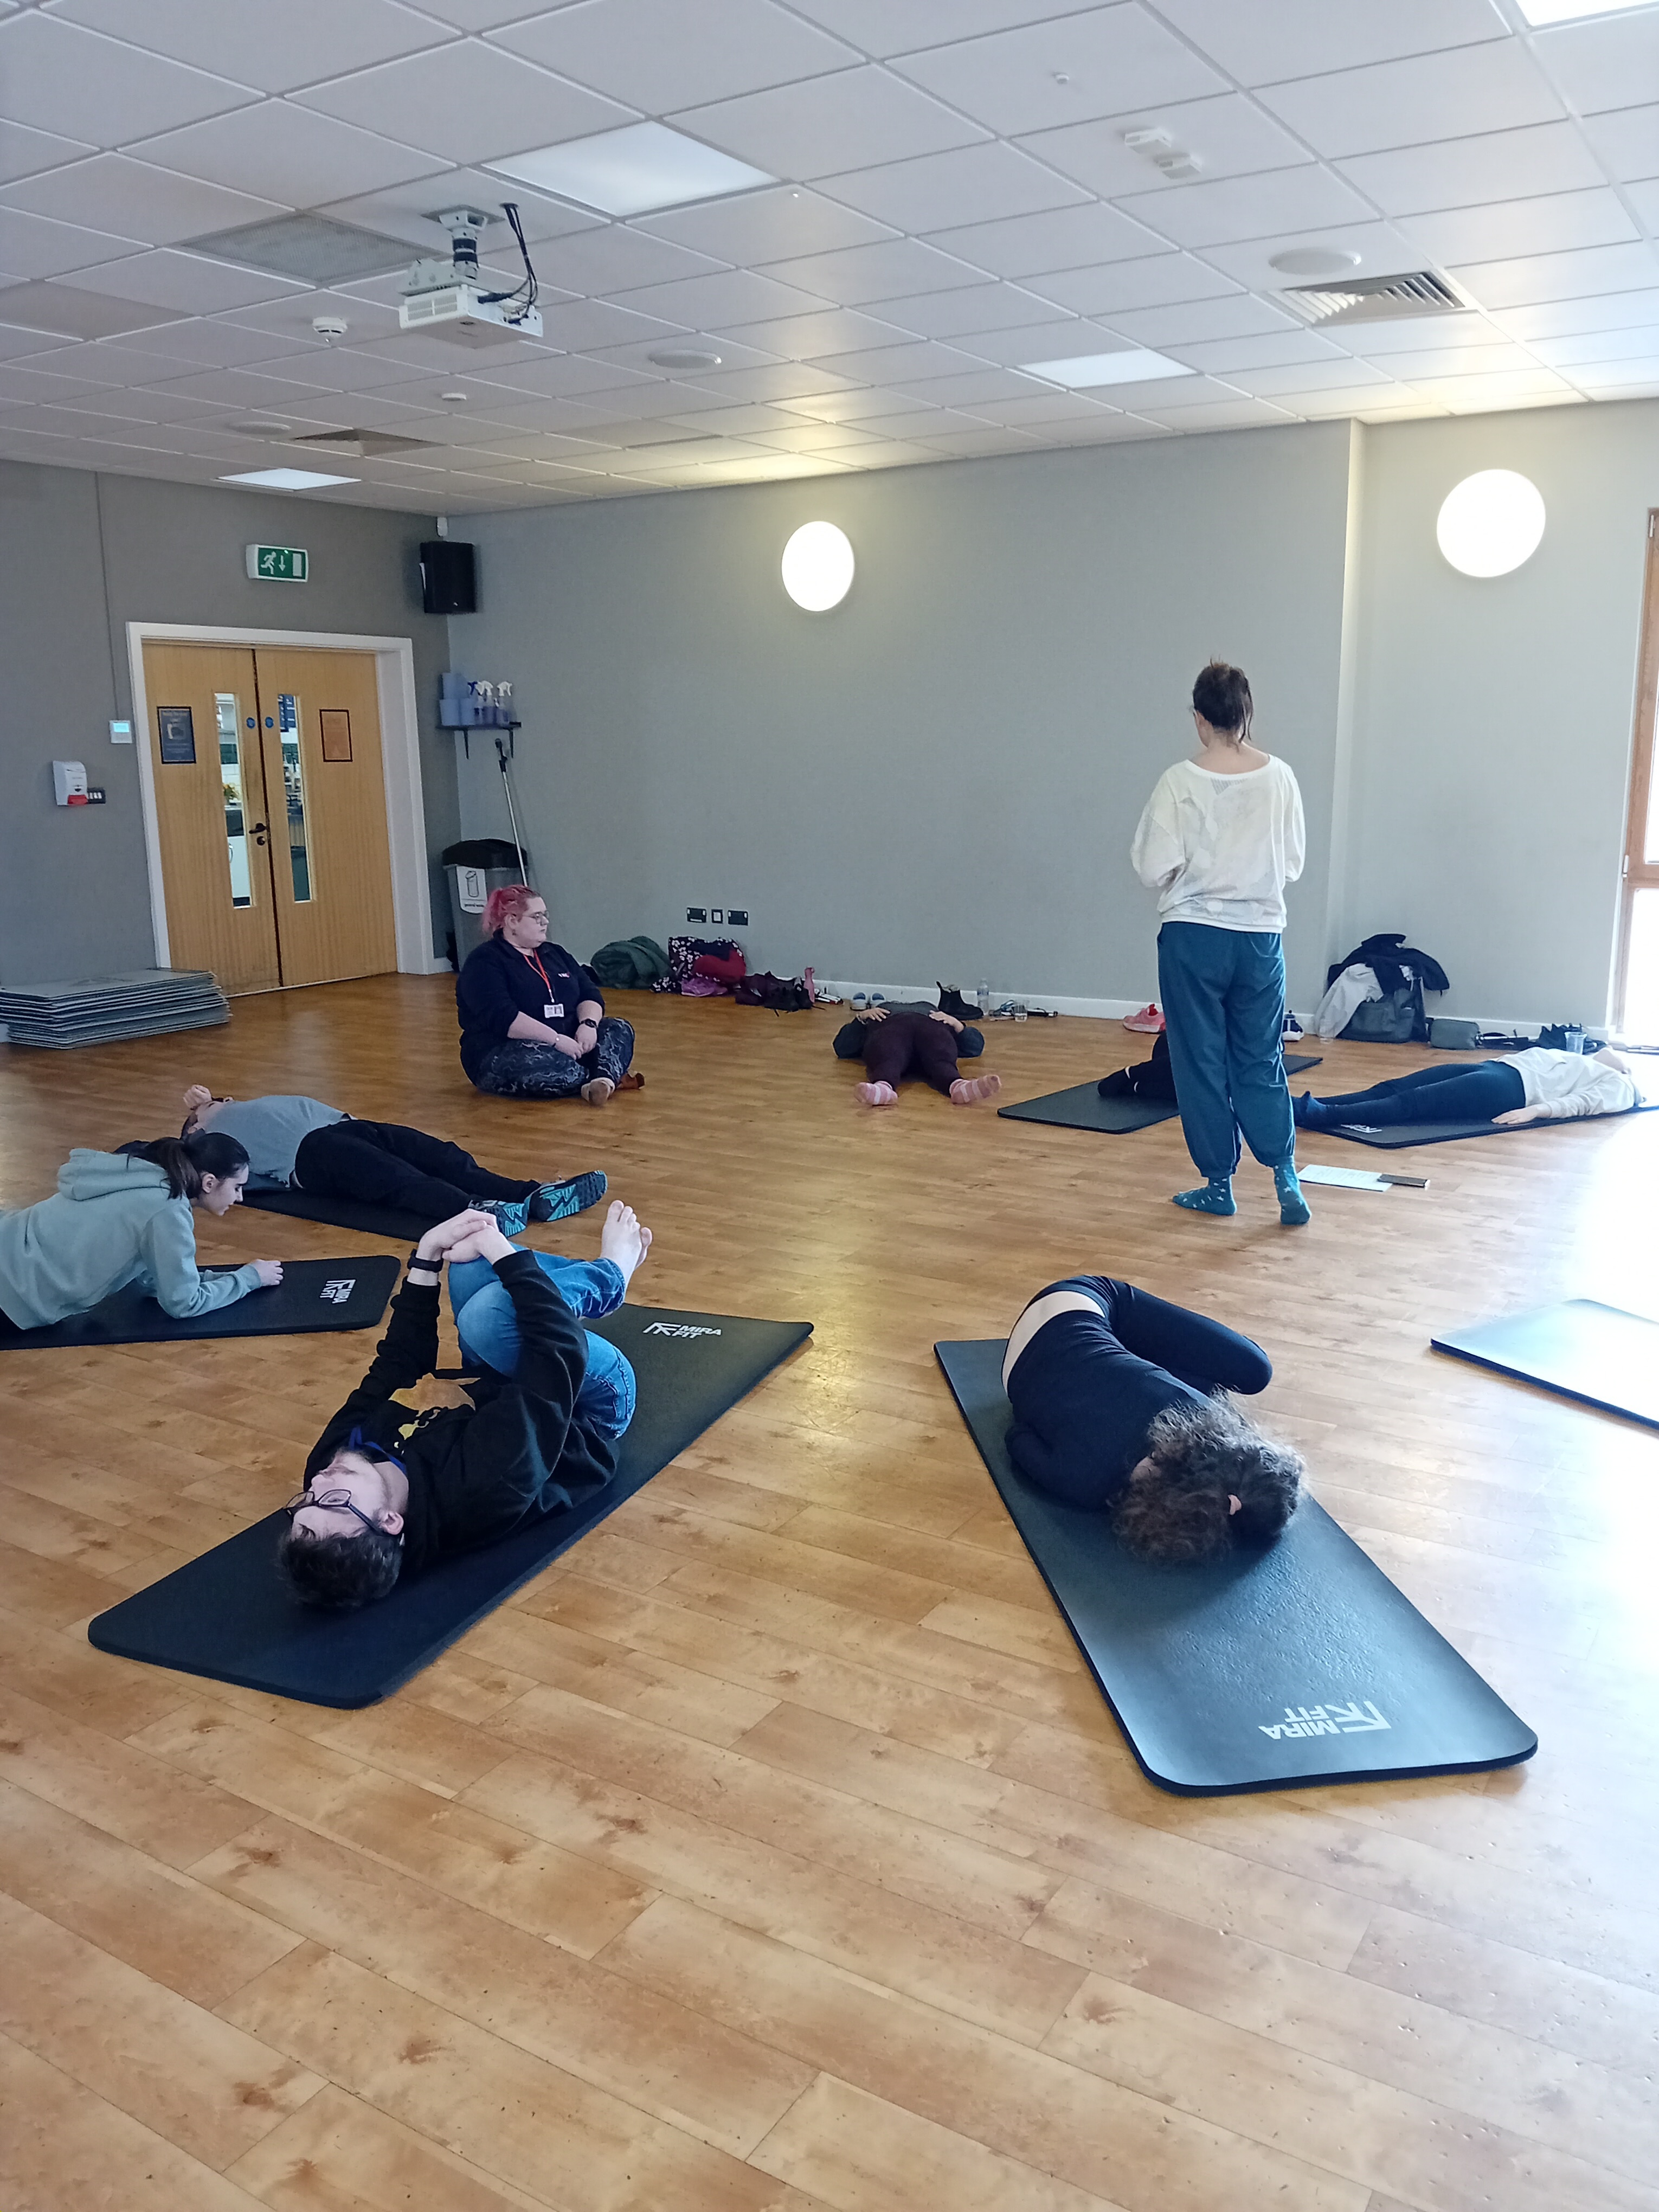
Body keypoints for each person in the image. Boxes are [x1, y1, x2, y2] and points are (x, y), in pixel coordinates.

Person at [276, 1200, 652, 1611]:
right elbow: (558, 1354)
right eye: (334, 1502)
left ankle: (561, 1280)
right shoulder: (483, 1487)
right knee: (490, 1317)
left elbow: (395, 1368)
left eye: (306, 1501)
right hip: (586, 1405)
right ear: (390, 1521)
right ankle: (612, 1275)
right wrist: (501, 1251)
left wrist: (426, 1257)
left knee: (466, 1263)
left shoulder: (335, 1464)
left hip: (494, 1387)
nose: (320, 1484)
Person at [1130, 660, 1310, 1226]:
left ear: (1199, 718)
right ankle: (1285, 1176)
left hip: (1193, 938)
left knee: (1199, 1062)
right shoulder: (1280, 777)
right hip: (1260, 939)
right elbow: (1293, 864)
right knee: (1261, 1058)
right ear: (1246, 712)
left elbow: (1151, 867)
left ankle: (1218, 1184)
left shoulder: (1178, 782)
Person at [1002, 1275, 1303, 1564]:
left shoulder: (1196, 1406)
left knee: (1255, 1369)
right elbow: (1018, 1437)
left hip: (1076, 1301)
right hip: (1014, 1373)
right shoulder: (1086, 1487)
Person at [177, 1085, 604, 1233]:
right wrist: (199, 1113)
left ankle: (532, 1196)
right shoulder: (205, 1140)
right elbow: (186, 1167)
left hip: (348, 1126)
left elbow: (214, 1096)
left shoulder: (232, 1106)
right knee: (400, 1179)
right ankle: (476, 1213)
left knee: (444, 1157)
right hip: (310, 1155)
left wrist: (212, 1098)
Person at [0, 1133, 282, 1334]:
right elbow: (184, 1303)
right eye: (237, 1187)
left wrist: (222, 1278)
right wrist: (249, 1279)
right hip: (14, 1294)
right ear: (209, 1183)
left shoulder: (142, 1174)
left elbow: (151, 1279)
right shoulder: (167, 1209)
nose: (240, 1197)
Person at [456, 886, 635, 1104]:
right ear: (512, 921)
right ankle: (604, 1075)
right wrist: (556, 1041)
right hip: (506, 1049)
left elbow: (590, 994)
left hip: (569, 1044)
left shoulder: (556, 953)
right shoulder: (484, 961)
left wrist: (588, 1025)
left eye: (545, 915)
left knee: (619, 1028)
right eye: (536, 916)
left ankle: (601, 1081)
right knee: (538, 1064)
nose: (545, 922)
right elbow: (504, 1018)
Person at [1295, 1044, 1641, 1131]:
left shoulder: (1623, 1089)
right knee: (1391, 1087)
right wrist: (1623, 1064)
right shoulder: (1604, 1066)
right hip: (1494, 1068)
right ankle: (1307, 1106)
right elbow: (1607, 1052)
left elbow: (1581, 1103)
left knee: (1412, 1102)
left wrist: (1537, 1111)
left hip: (1510, 1091)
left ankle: (1324, 1115)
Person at [833, 1002, 1002, 1107]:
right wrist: (861, 1018)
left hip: (929, 1026)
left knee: (939, 1053)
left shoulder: (937, 1015)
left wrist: (958, 1025)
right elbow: (842, 1048)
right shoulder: (878, 1013)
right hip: (891, 1026)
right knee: (889, 1052)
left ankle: (958, 1086)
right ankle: (883, 1087)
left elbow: (975, 1047)